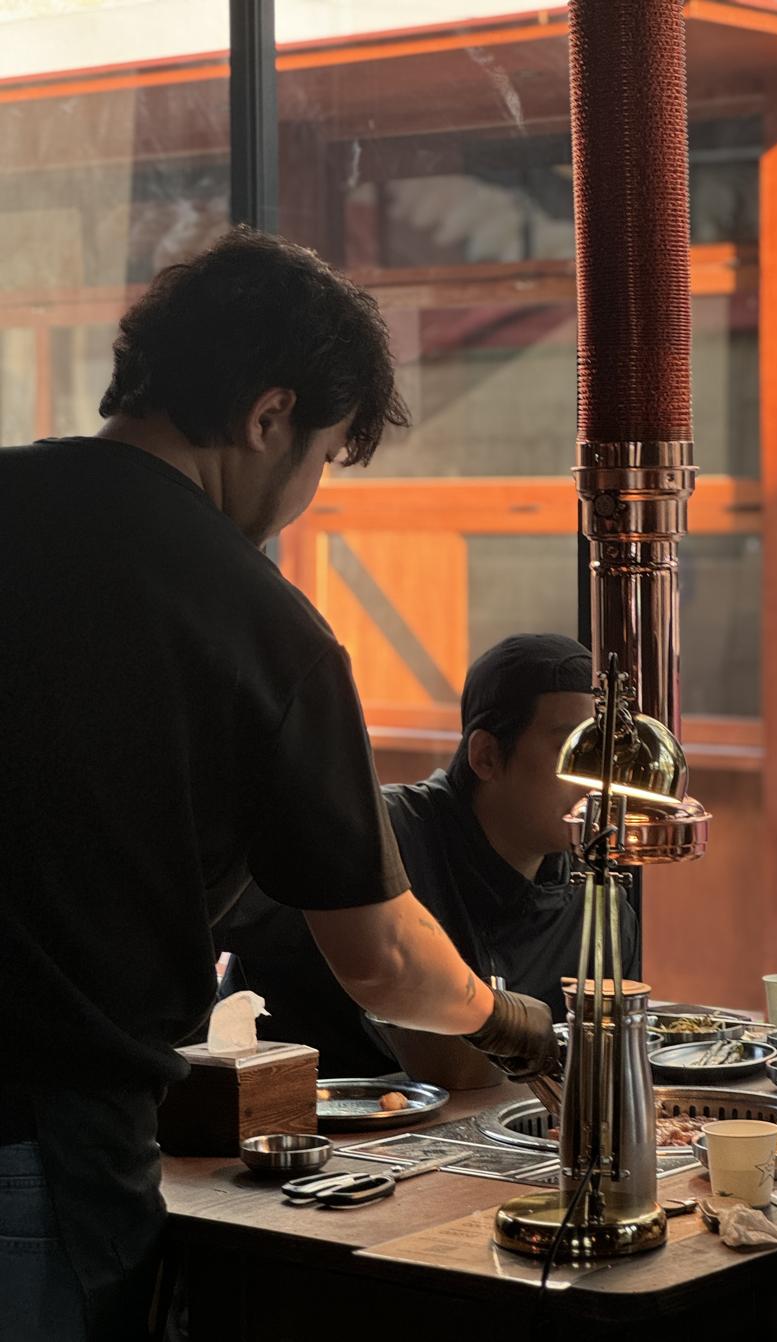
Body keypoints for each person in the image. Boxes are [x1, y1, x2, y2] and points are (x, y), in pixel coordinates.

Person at [0, 228, 555, 1342]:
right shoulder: (261, 630)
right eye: (324, 456)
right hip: (46, 1143)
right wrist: (513, 1021)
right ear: (268, 417)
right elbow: (380, 957)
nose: (306, 494)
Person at [218, 633, 641, 1075]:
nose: (602, 782)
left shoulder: (599, 904)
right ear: (486, 756)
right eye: (575, 750)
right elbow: (199, 913)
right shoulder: (368, 838)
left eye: (610, 754)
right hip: (305, 1112)